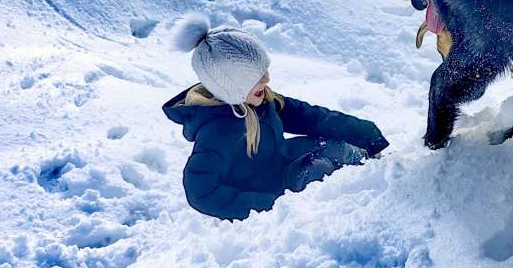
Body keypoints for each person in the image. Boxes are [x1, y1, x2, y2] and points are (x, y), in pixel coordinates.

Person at [162, 14, 388, 221]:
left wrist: (367, 135)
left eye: (265, 71)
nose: (267, 79)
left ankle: (380, 169)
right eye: (257, 76)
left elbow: (310, 117)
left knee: (338, 148)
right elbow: (200, 192)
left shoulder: (260, 100)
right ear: (232, 84)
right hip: (271, 191)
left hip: (282, 163)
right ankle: (362, 206)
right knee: (321, 170)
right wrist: (266, 205)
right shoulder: (217, 132)